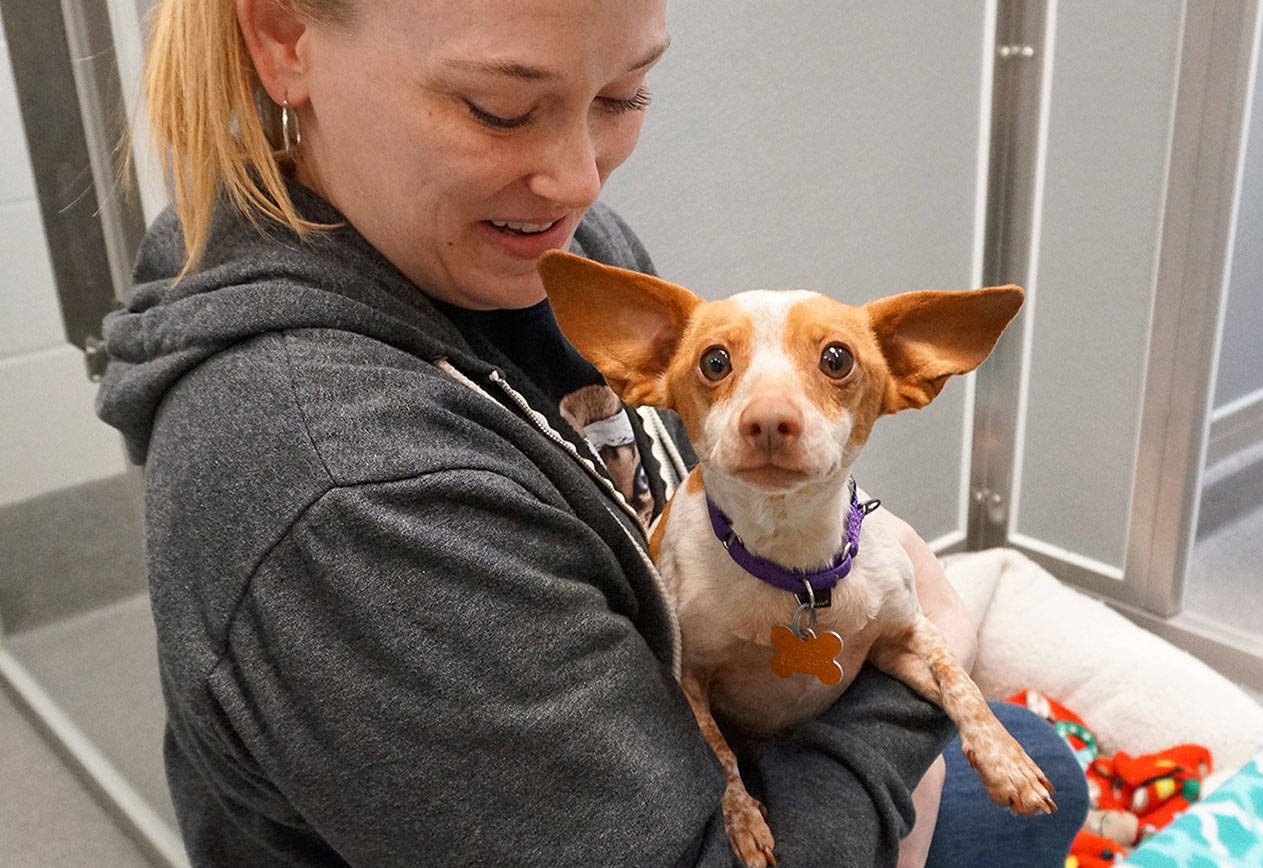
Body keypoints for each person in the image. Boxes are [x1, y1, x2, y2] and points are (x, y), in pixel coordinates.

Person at [95, 0, 1087, 864]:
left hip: (686, 732)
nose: (579, 181)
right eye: (499, 106)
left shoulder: (536, 254)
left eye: (623, 95)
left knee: (1046, 765)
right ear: (282, 37)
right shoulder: (341, 490)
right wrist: (923, 657)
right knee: (1043, 777)